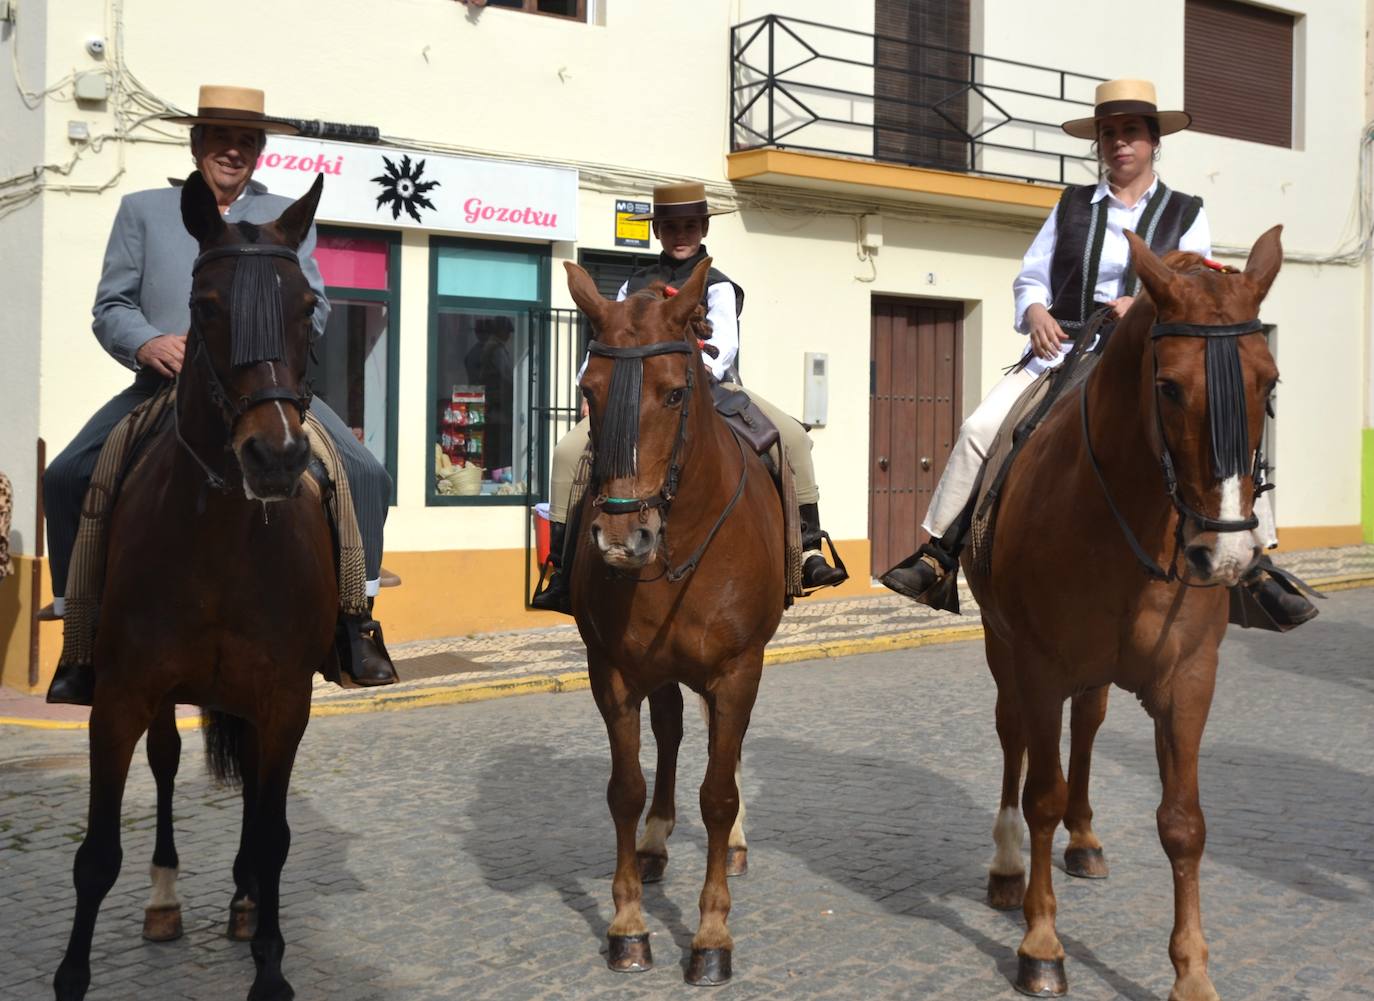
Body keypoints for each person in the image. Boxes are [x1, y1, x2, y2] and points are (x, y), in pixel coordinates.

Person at [879, 79, 1316, 629]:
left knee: (1221, 423)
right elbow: (1031, 276)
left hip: (1154, 357)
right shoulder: (1071, 206)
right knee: (979, 428)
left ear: (1155, 141)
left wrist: (1147, 301)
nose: (1119, 144)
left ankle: (1255, 567)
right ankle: (940, 553)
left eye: (1131, 132)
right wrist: (1035, 312)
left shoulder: (1187, 211)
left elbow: (1199, 285)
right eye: (1108, 134)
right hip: (1065, 348)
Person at [43, 85, 399, 704]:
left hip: (265, 387)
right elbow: (111, 307)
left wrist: (268, 340)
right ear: (196, 143)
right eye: (220, 138)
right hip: (166, 386)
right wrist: (149, 343)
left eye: (247, 141)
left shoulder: (286, 215)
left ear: (259, 152)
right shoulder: (145, 209)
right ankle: (84, 637)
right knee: (68, 474)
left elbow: (313, 308)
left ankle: (354, 625)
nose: (233, 151)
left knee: (365, 473)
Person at [532, 182, 847, 613]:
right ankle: (561, 569)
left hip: (714, 390)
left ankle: (809, 549)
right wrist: (590, 384)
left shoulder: (717, 285)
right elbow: (611, 335)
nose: (681, 235)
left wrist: (687, 377)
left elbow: (724, 353)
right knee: (567, 452)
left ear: (702, 229)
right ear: (658, 231)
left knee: (791, 437)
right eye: (671, 227)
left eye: (689, 226)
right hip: (638, 394)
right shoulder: (633, 283)